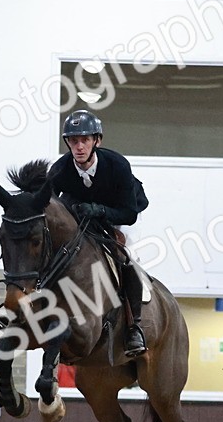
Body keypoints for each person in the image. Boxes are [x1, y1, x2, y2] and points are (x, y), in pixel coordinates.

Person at [48, 109, 150, 357]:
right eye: (73, 141)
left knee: (126, 259)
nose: (79, 147)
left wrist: (100, 210)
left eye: (85, 140)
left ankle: (133, 325)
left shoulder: (117, 165)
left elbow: (130, 213)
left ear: (97, 141)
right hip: (82, 218)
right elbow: (49, 206)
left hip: (120, 215)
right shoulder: (60, 170)